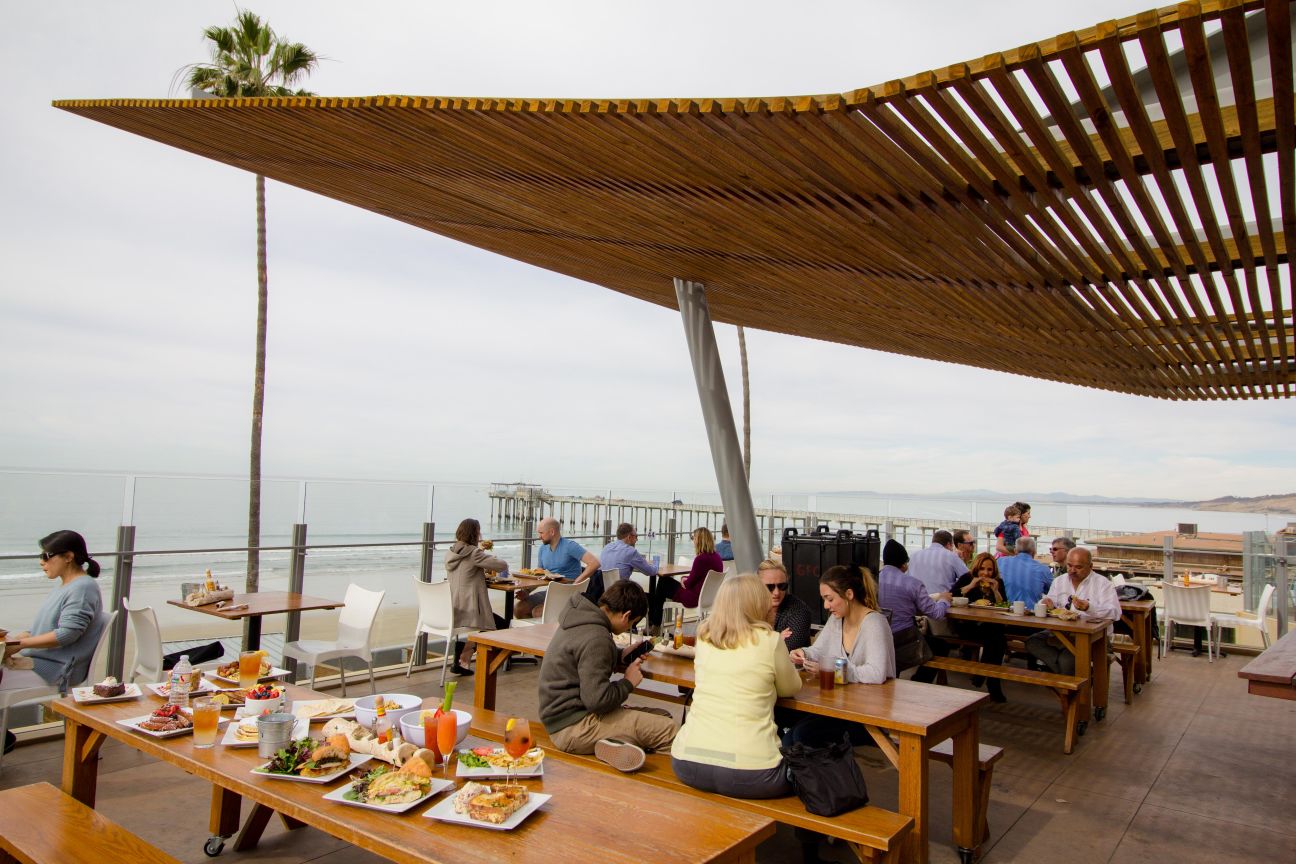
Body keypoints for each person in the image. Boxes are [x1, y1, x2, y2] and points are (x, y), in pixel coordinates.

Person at [671, 574, 802, 798]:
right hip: (753, 772)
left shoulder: (705, 637)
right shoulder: (770, 640)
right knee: (808, 762)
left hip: (687, 762)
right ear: (758, 604)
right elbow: (791, 688)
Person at [537, 580, 676, 770]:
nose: (629, 627)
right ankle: (617, 745)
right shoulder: (597, 637)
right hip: (575, 728)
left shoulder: (580, 618)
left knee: (664, 716)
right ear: (626, 616)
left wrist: (620, 655)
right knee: (669, 731)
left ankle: (615, 743)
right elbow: (598, 701)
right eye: (633, 623)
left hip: (561, 720)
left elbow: (584, 658)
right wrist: (628, 683)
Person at [3, 531, 107, 755]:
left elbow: (67, 634)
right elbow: (51, 627)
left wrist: (20, 644)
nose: (41, 562)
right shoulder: (68, 586)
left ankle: (4, 741)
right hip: (46, 662)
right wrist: (19, 637)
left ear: (68, 556)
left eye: (46, 556)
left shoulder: (82, 588)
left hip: (57, 669)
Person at [785, 564, 895, 747]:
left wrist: (830, 670)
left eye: (829, 599)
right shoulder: (837, 620)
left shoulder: (875, 623)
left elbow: (876, 673)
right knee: (791, 738)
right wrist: (804, 653)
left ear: (849, 594)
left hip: (868, 714)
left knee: (802, 736)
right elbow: (819, 650)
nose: (826, 606)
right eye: (824, 599)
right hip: (841, 708)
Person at [1028, 547, 1120, 675]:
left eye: (1078, 567)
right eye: (1069, 565)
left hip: (1094, 638)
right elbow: (1049, 601)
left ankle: (1067, 679)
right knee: (1033, 642)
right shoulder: (1059, 581)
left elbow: (1115, 612)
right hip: (1061, 633)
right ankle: (1071, 678)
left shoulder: (1103, 584)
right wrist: (1044, 603)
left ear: (1090, 566)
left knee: (1067, 660)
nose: (1072, 570)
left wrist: (1089, 608)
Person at [443, 518, 510, 675]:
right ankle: (467, 652)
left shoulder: (451, 552)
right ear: (475, 534)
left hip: (453, 607)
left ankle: (461, 655)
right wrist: (482, 553)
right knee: (501, 625)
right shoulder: (474, 553)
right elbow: (502, 565)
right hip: (470, 609)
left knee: (496, 623)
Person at [875, 539, 951, 677]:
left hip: (878, 635)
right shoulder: (912, 583)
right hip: (904, 639)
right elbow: (936, 614)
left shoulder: (872, 580)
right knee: (941, 646)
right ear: (904, 564)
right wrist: (944, 600)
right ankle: (919, 681)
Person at [951, 552, 1008, 702]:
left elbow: (1004, 606)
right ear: (976, 568)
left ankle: (983, 674)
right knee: (998, 638)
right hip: (966, 625)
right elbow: (951, 595)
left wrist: (996, 591)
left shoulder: (998, 582)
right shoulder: (967, 578)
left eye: (989, 570)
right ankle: (991, 683)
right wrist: (970, 586)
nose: (986, 573)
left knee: (997, 637)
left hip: (988, 627)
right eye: (982, 569)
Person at [519, 517, 600, 619]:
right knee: (520, 609)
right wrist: (527, 592)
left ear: (552, 532)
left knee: (538, 612)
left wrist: (577, 583)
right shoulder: (542, 549)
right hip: (551, 591)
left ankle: (551, 629)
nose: (539, 537)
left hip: (569, 592)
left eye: (541, 533)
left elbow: (594, 563)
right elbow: (539, 575)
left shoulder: (570, 546)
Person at [647, 527, 723, 634]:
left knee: (663, 582)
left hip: (693, 598)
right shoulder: (717, 557)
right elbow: (698, 577)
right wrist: (686, 579)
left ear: (699, 540)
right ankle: (654, 624)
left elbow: (689, 583)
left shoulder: (700, 559)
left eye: (693, 538)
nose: (693, 541)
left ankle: (654, 624)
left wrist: (683, 579)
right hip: (708, 598)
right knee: (663, 584)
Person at [758, 559, 811, 650]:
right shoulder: (751, 607)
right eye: (769, 587)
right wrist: (777, 639)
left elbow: (788, 648)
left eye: (782, 586)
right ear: (758, 586)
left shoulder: (799, 611)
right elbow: (740, 642)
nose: (776, 592)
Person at [907, 530, 968, 595]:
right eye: (952, 547)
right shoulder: (951, 556)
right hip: (941, 599)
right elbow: (968, 578)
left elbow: (907, 579)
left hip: (915, 599)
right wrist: (962, 560)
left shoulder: (913, 556)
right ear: (949, 544)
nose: (952, 549)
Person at [998, 537, 1053, 606]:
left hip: (1004, 609)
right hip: (1031, 611)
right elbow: (1053, 592)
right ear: (1034, 552)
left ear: (1015, 550)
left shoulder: (1000, 562)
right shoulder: (1043, 569)